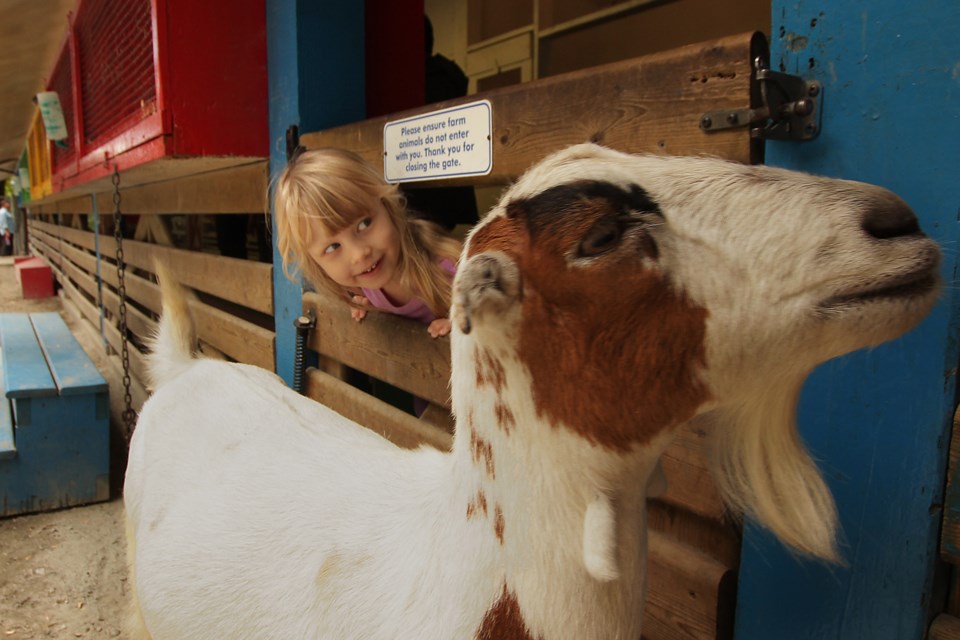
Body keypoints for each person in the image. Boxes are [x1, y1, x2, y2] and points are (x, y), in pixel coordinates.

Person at [273, 147, 461, 339]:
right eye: (333, 247)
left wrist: (466, 324)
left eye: (364, 224)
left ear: (387, 206)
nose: (359, 254)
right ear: (317, 264)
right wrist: (374, 305)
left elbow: (492, 310)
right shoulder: (366, 286)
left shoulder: (449, 270)